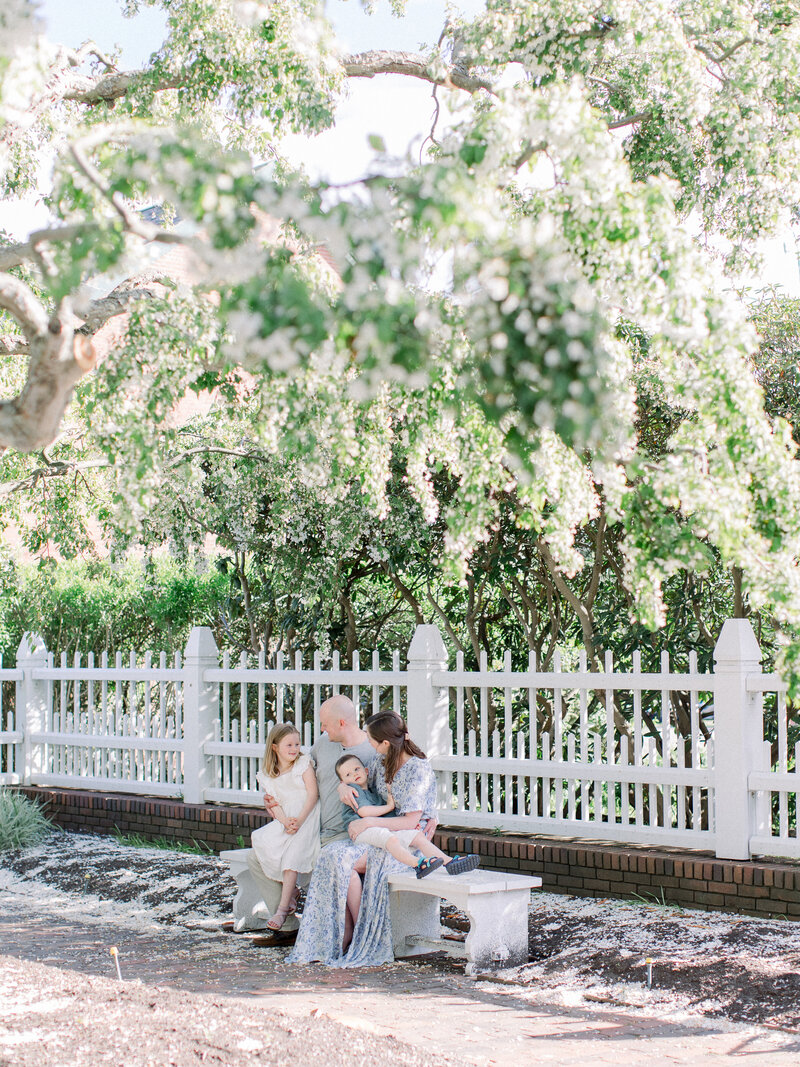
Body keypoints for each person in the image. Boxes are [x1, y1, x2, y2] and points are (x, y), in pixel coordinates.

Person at [290, 712, 475, 968]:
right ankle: (345, 929)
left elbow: (410, 822)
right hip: (381, 835)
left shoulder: (416, 769)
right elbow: (361, 783)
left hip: (405, 841)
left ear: (386, 743)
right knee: (331, 854)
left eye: (373, 740)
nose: (370, 744)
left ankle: (361, 930)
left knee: (345, 860)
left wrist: (368, 822)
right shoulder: (380, 760)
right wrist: (344, 787)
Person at [244, 694, 378, 931]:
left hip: (344, 836)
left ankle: (330, 929)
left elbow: (387, 796)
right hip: (311, 827)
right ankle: (287, 924)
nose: (322, 728)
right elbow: (298, 778)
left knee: (303, 861)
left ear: (342, 723)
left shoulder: (371, 751)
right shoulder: (323, 743)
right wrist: (272, 802)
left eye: (325, 723)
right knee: (255, 857)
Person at [334, 753, 478, 878]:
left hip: (375, 829)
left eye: (356, 769)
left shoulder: (372, 792)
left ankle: (449, 862)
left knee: (417, 836)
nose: (354, 774)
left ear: (366, 770)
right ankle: (418, 865)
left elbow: (385, 817)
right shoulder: (353, 790)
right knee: (389, 839)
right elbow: (364, 812)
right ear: (343, 782)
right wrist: (389, 805)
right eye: (348, 774)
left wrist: (407, 826)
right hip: (360, 831)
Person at [248, 722, 320, 931]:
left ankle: (281, 911)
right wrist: (284, 821)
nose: (294, 749)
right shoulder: (270, 774)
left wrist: (299, 820)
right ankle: (291, 893)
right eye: (288, 745)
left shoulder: (303, 764)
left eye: (297, 744)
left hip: (308, 815)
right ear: (275, 747)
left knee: (291, 858)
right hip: (287, 819)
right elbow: (274, 804)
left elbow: (313, 795)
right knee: (267, 846)